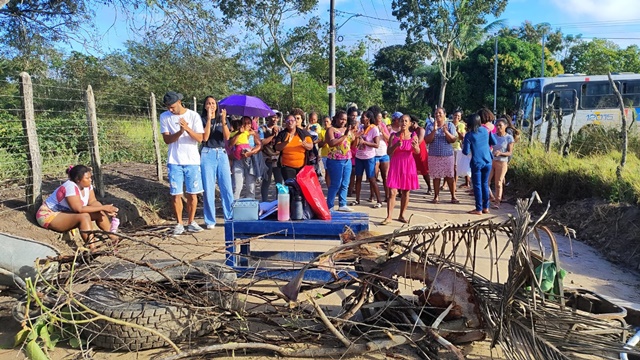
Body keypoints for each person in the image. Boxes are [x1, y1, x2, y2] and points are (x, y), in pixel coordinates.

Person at [36, 165, 119, 250]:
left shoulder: (87, 186)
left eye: (90, 177)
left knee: (99, 213)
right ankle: (92, 249)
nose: (90, 180)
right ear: (78, 180)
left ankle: (114, 239)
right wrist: (104, 207)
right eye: (87, 178)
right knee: (84, 216)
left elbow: (93, 202)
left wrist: (104, 209)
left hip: (64, 213)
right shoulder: (70, 187)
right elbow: (79, 209)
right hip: (48, 215)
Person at [159, 91, 205, 236]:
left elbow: (200, 138)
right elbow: (167, 140)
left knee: (192, 194)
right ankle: (179, 223)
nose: (170, 110)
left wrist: (187, 129)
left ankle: (191, 222)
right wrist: (179, 132)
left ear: (179, 102)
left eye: (172, 106)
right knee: (176, 194)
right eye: (168, 107)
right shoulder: (164, 117)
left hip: (192, 161)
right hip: (174, 161)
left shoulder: (193, 115)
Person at [200, 96, 233, 229]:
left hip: (222, 153)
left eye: (213, 103)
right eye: (208, 103)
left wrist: (224, 119)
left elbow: (227, 137)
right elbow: (205, 137)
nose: (211, 105)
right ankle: (210, 220)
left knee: (227, 187)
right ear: (204, 106)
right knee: (208, 188)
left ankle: (229, 217)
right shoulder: (201, 119)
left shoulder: (223, 119)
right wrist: (208, 119)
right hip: (207, 153)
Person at [382, 115, 420, 225]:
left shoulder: (413, 135)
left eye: (406, 121)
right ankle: (389, 216)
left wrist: (415, 146)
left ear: (409, 123)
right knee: (392, 192)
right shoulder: (393, 136)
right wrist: (396, 146)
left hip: (408, 165)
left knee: (405, 191)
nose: (403, 123)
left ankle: (402, 215)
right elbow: (389, 152)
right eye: (402, 121)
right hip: (395, 165)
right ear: (398, 123)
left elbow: (417, 151)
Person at [462, 114, 497, 215]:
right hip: (488, 161)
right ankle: (486, 207)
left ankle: (478, 209)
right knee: (485, 184)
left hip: (477, 162)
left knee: (477, 186)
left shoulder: (469, 135)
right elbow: (493, 142)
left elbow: (465, 151)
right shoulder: (486, 130)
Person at [425, 107, 459, 204]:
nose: (438, 115)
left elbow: (453, 139)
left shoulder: (450, 125)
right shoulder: (430, 126)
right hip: (434, 155)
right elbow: (427, 140)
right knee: (436, 177)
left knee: (449, 176)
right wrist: (434, 130)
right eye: (436, 113)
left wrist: (446, 132)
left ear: (445, 114)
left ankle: (453, 196)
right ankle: (436, 196)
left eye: (440, 113)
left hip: (447, 155)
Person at [325, 110, 355, 212]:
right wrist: (344, 136)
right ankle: (329, 205)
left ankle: (343, 203)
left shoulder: (347, 129)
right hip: (335, 160)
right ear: (336, 119)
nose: (343, 121)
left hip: (347, 160)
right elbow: (332, 143)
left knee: (345, 183)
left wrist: (356, 135)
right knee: (335, 184)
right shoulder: (331, 130)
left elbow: (353, 142)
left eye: (345, 119)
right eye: (341, 119)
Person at [352, 110, 382, 207]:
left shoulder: (374, 129)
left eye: (363, 117)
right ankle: (357, 199)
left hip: (369, 157)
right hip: (359, 156)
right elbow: (355, 143)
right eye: (361, 117)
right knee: (358, 178)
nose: (361, 119)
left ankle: (379, 201)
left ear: (368, 119)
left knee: (372, 178)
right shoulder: (360, 127)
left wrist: (365, 143)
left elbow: (376, 145)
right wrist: (356, 137)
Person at [229, 116, 262, 199]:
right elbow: (230, 144)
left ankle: (250, 208)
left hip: (250, 161)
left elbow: (259, 145)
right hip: (238, 161)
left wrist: (251, 152)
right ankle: (233, 208)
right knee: (237, 186)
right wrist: (239, 133)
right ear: (241, 124)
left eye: (249, 123)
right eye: (245, 123)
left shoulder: (253, 133)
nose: (247, 125)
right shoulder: (236, 132)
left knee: (251, 187)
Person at [274, 114, 313, 181]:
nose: (290, 122)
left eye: (292, 120)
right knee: (291, 187)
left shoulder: (303, 133)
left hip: (302, 167)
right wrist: (286, 142)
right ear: (285, 123)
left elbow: (311, 146)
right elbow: (277, 148)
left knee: (301, 188)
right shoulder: (282, 134)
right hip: (287, 167)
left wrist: (305, 144)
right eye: (288, 121)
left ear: (295, 122)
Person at [489, 118, 515, 209]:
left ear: (505, 126)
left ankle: (497, 201)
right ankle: (490, 197)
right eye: (497, 125)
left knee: (498, 182)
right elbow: (489, 146)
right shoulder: (493, 136)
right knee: (486, 181)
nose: (498, 127)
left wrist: (501, 153)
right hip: (492, 161)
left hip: (502, 162)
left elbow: (510, 152)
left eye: (500, 125)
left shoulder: (509, 138)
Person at [259, 114, 283, 202]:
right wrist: (272, 135)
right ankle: (264, 202)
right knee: (266, 181)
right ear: (268, 117)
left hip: (278, 159)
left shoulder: (281, 129)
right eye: (273, 117)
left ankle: (279, 203)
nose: (275, 119)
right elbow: (262, 142)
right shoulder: (262, 128)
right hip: (266, 158)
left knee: (279, 182)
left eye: (277, 117)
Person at [409, 115, 431, 195]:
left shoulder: (421, 130)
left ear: (413, 123)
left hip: (420, 152)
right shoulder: (409, 130)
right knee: (411, 169)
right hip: (411, 152)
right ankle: (410, 186)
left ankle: (429, 187)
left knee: (424, 170)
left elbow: (420, 140)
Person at [372, 111, 390, 202]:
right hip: (374, 154)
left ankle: (387, 195)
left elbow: (389, 138)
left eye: (380, 118)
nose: (380, 120)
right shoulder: (371, 127)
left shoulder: (383, 126)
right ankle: (372, 195)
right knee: (373, 176)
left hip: (384, 153)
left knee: (385, 176)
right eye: (378, 118)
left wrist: (382, 131)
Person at [452, 110, 471, 189]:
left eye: (458, 116)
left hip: (457, 148)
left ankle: (454, 185)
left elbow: (462, 138)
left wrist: (457, 131)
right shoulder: (448, 124)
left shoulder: (461, 125)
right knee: (449, 167)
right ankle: (445, 184)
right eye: (455, 115)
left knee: (455, 167)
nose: (457, 117)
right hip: (448, 147)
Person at [317, 115, 332, 187]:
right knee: (328, 172)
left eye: (327, 121)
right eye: (325, 121)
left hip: (334, 154)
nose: (326, 123)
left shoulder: (334, 130)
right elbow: (319, 145)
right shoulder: (321, 132)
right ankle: (329, 188)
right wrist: (326, 141)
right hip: (325, 154)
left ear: (330, 122)